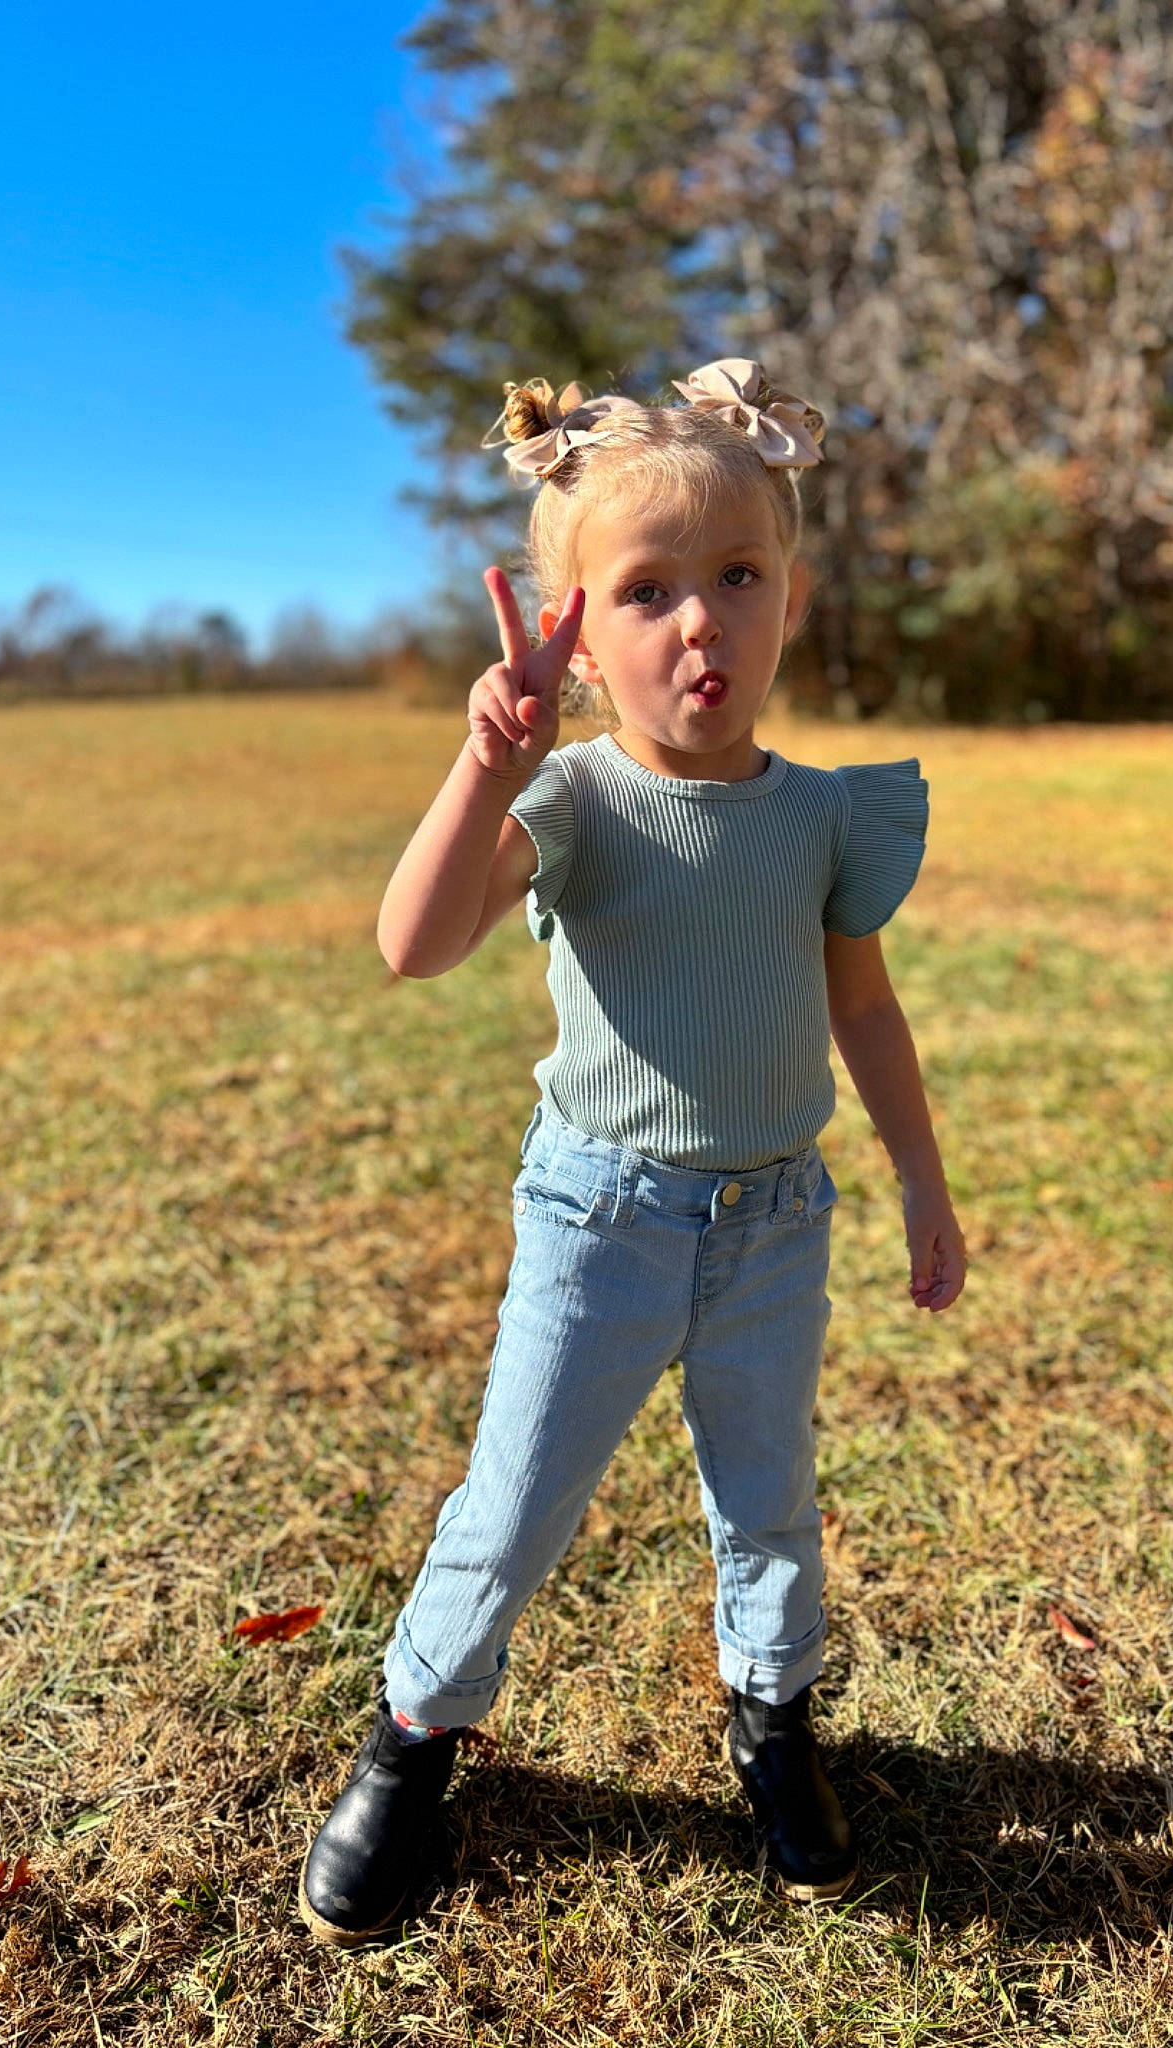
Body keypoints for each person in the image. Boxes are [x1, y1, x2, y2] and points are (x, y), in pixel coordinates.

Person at [299, 358, 966, 1946]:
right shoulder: (577, 802)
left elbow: (863, 1015)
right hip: (602, 1219)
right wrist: (485, 764)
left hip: (773, 1225)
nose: (699, 625)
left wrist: (922, 1185)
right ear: (579, 637)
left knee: (770, 1498)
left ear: (789, 599)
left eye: (737, 579)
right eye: (648, 591)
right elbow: (412, 943)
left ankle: (776, 1726)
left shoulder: (818, 819)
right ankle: (414, 1741)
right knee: (518, 1502)